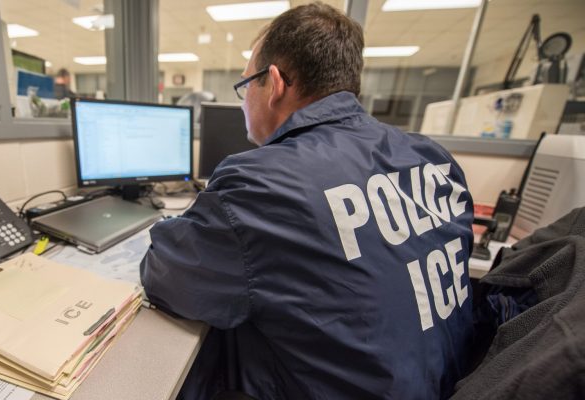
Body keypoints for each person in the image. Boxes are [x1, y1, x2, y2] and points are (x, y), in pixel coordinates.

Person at [140, 2, 475, 399]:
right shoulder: (433, 157)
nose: (245, 100)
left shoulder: (262, 182)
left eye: (247, 85)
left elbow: (166, 278)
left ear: (276, 83)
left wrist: (173, 227)